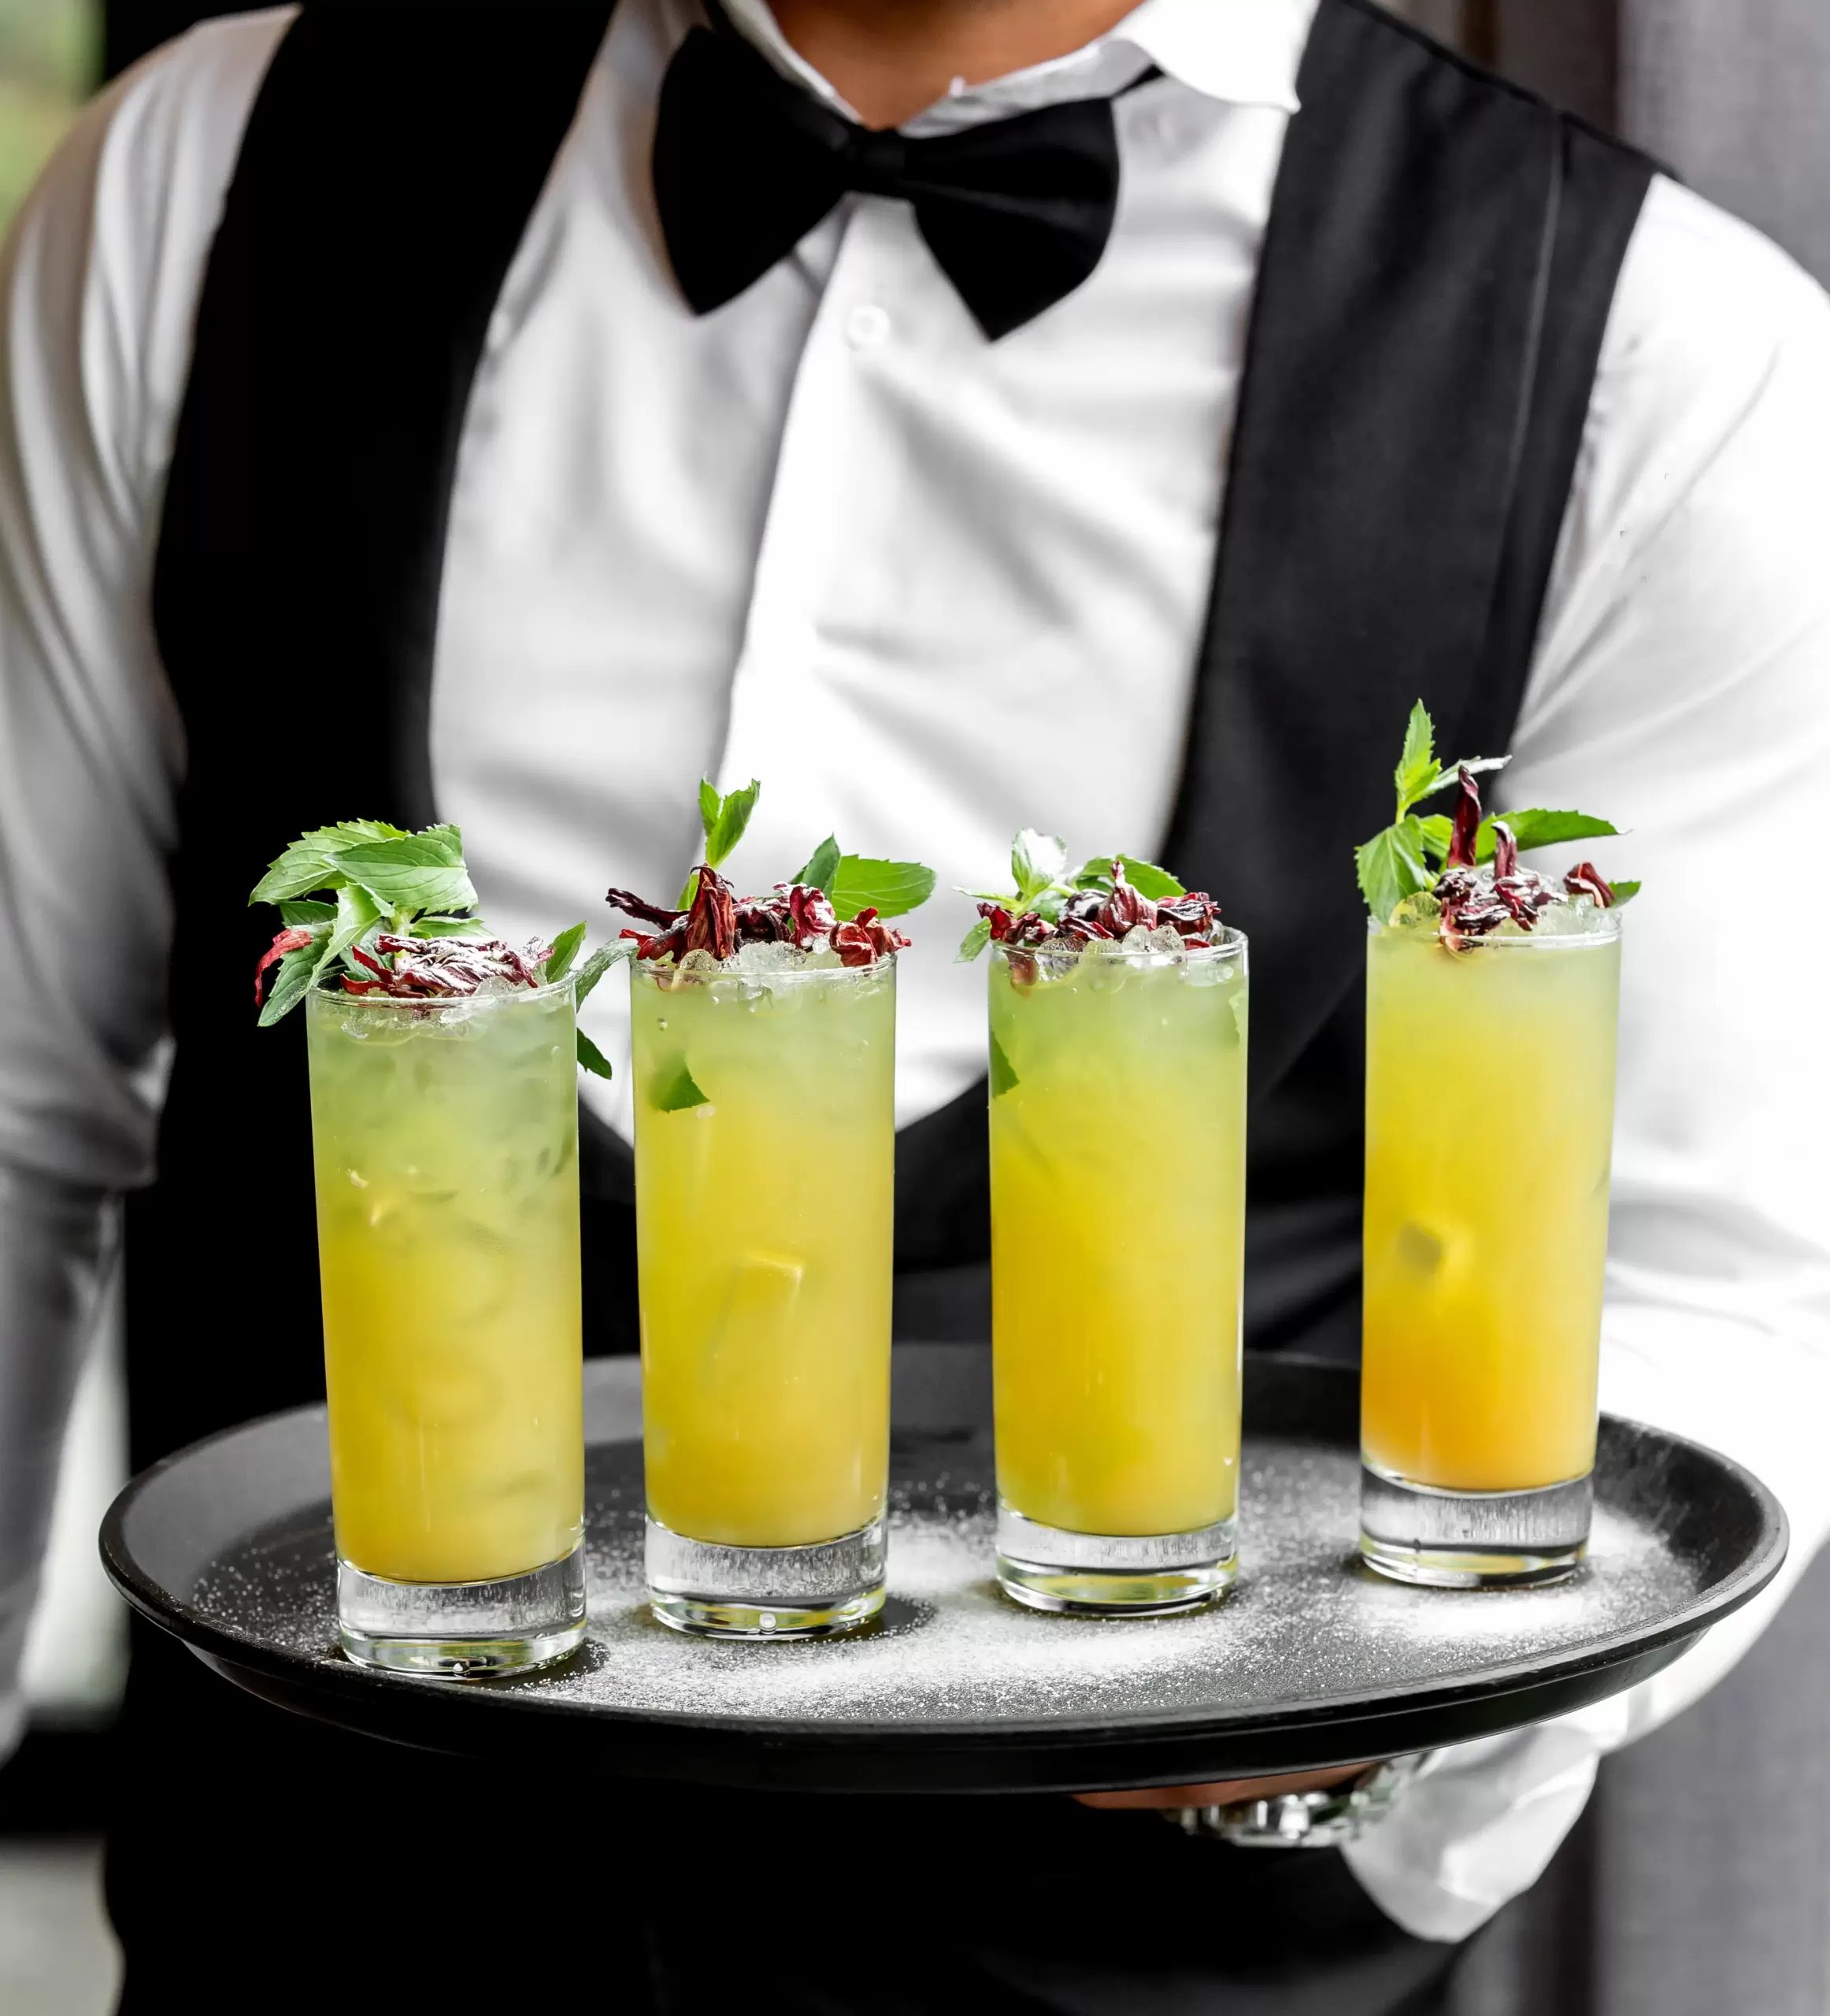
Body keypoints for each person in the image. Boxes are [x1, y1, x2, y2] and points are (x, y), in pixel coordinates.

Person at [0, 0, 1826, 2007]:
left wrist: (1392, 1760)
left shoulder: (1670, 348)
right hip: (312, 1906)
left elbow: (1727, 1279)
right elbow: (12, 1106)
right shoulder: (206, 166)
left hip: (1163, 1950)